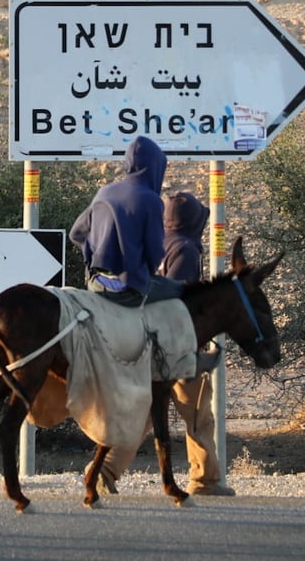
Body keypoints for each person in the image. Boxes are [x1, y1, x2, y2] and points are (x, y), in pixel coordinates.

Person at [91, 190, 235, 497]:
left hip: (149, 344)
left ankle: (105, 471)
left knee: (142, 415)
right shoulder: (186, 250)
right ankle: (205, 480)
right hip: (177, 346)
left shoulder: (159, 244)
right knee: (198, 416)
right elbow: (178, 299)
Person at [69, 135, 183, 307]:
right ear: (155, 167)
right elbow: (155, 252)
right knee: (183, 293)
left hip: (96, 283)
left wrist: (93, 258)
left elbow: (76, 234)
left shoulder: (104, 192)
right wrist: (145, 271)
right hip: (128, 289)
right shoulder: (151, 200)